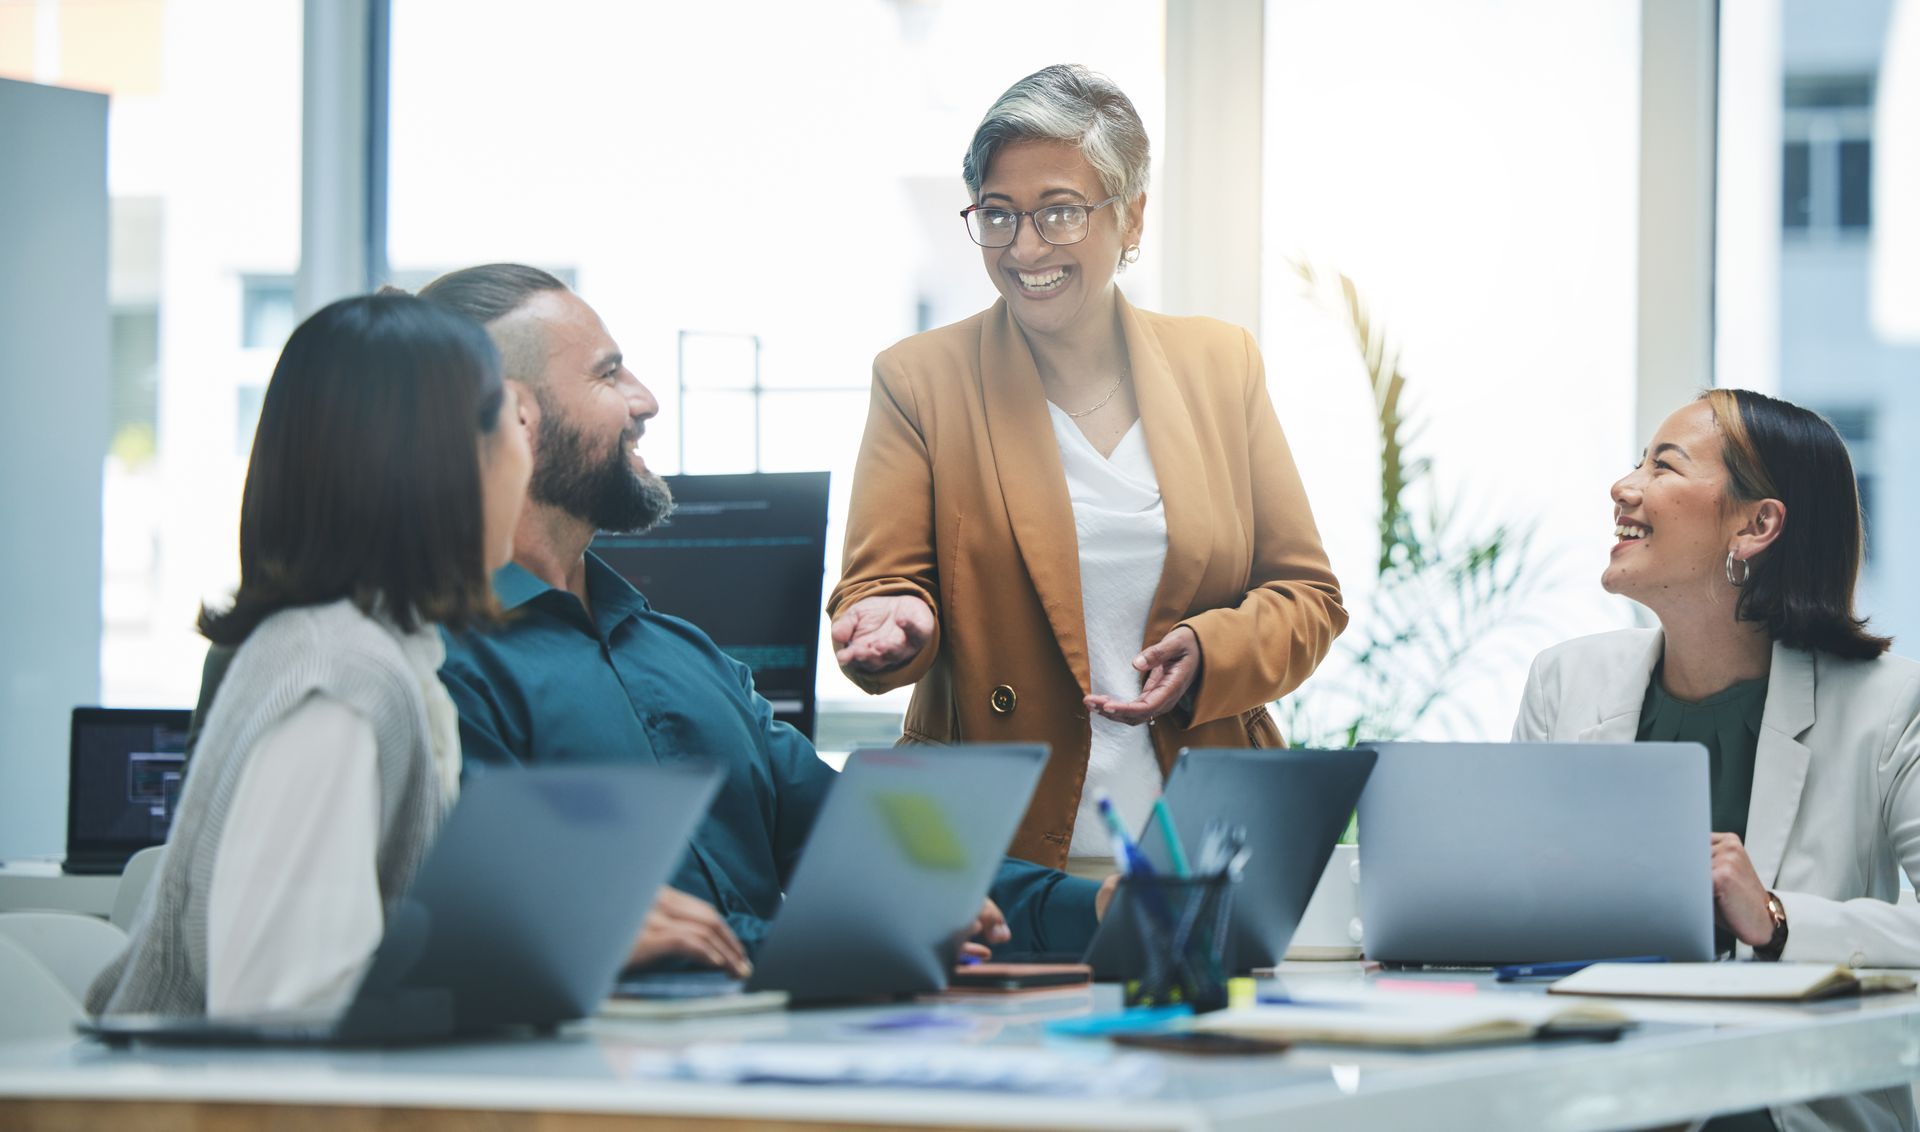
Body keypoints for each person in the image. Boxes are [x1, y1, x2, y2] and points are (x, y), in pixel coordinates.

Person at [422, 264, 1111, 965]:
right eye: (609, 375)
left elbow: (872, 845)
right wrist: (879, 927)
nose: (647, 400)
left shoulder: (684, 655)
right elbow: (526, 925)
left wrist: (1104, 912)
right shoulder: (440, 670)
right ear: (516, 415)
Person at [827, 65, 1346, 876]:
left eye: (1059, 213)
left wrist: (1210, 649)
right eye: (998, 216)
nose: (1025, 247)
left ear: (1131, 216)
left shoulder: (1220, 365)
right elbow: (880, 588)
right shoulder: (920, 378)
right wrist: (898, 622)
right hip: (996, 857)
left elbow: (1308, 599)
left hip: (1205, 845)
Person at [88, 294, 532, 1017]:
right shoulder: (341, 678)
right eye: (513, 421)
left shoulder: (358, 648)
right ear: (444, 460)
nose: (526, 454)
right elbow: (281, 1017)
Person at [1514, 389, 1920, 1132]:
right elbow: (1515, 906)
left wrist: (1776, 919)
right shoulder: (1564, 682)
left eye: (1663, 467)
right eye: (1637, 463)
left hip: (1786, 1110)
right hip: (1595, 1100)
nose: (1624, 487)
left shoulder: (1891, 704)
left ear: (1757, 524)